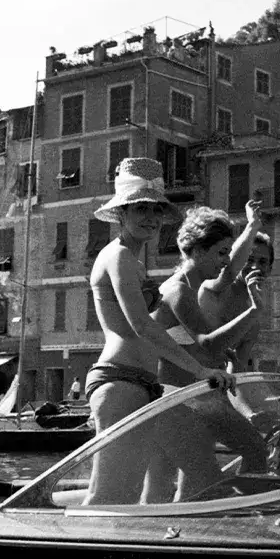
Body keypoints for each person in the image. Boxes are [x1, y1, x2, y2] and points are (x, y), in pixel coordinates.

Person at [83, 157, 235, 506]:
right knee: (110, 495)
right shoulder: (118, 256)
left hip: (144, 385)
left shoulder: (132, 260)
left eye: (156, 210)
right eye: (140, 209)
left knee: (163, 481)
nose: (151, 218)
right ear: (121, 213)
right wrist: (200, 371)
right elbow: (140, 325)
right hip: (120, 382)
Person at [146, 204, 270, 499]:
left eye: (228, 252)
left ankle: (247, 513)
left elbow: (230, 272)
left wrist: (252, 227)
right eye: (221, 253)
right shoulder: (177, 291)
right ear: (199, 252)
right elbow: (209, 343)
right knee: (196, 482)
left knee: (256, 448)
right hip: (171, 403)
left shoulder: (200, 286)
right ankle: (189, 527)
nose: (227, 261)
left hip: (199, 399)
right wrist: (254, 311)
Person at [199, 229, 275, 373]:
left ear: (269, 269)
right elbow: (229, 273)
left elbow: (236, 371)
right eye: (249, 260)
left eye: (262, 262)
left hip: (209, 387)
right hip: (179, 384)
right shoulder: (214, 286)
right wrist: (252, 224)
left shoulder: (254, 320)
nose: (255, 267)